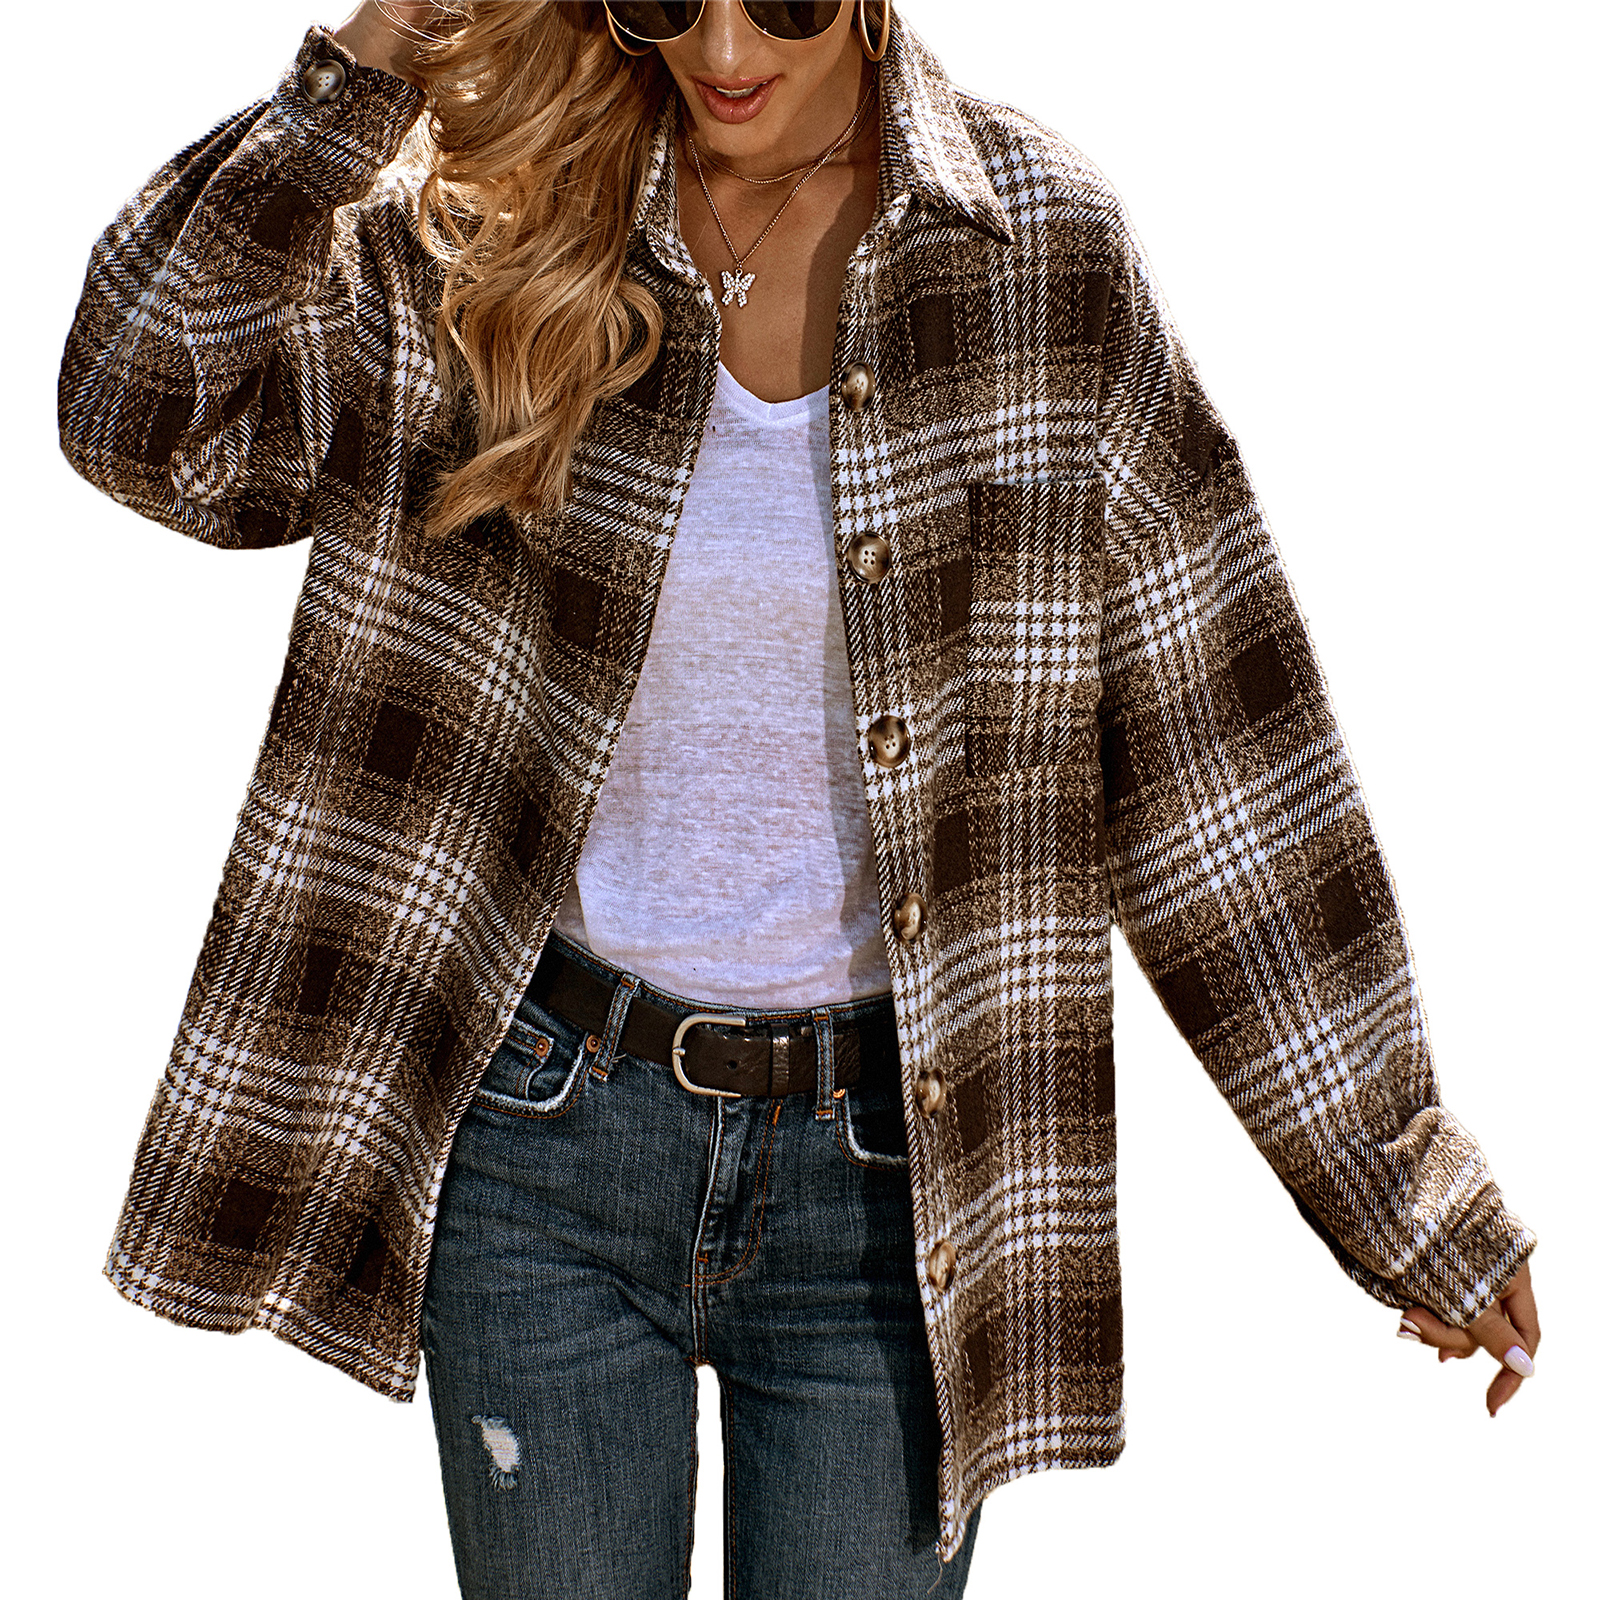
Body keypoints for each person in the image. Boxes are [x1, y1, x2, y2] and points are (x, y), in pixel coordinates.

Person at [57, 3, 1541, 1596]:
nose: (722, 46)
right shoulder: (487, 227)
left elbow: (1221, 762)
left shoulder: (1038, 258)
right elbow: (145, 422)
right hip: (544, 1146)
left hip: (893, 1190)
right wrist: (362, 71)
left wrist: (1404, 1194)